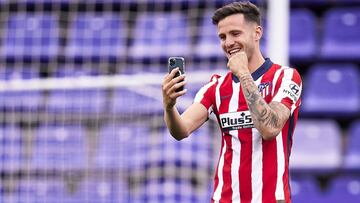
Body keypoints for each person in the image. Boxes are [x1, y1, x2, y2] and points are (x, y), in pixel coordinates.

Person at [162, 1, 302, 203]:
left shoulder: (286, 78)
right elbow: (181, 130)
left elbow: (270, 128)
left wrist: (244, 73)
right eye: (222, 37)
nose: (228, 43)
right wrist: (169, 107)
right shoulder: (216, 87)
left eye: (235, 34)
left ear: (257, 33)